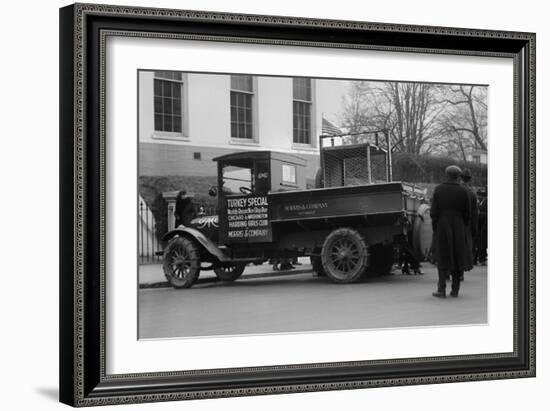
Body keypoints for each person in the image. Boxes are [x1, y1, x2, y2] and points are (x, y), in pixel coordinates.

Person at [430, 165, 471, 298]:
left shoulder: (439, 189)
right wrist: (462, 225)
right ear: (458, 176)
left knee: (443, 256)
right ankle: (455, 289)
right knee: (458, 255)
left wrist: (436, 227)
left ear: (446, 175)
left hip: (442, 225)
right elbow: (468, 213)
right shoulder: (464, 191)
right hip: (458, 225)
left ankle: (441, 289)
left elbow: (433, 212)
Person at [460, 168, 479, 273]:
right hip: (466, 224)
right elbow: (474, 214)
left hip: (456, 222)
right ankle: (461, 271)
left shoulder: (457, 189)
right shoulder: (472, 194)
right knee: (464, 248)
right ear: (469, 180)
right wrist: (474, 229)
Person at [476, 188, 488, 265]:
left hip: (485, 226)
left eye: (479, 195)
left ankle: (482, 259)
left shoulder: (486, 202)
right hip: (481, 225)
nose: (478, 197)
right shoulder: (481, 202)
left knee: (482, 244)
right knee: (481, 243)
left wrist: (479, 214)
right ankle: (481, 258)